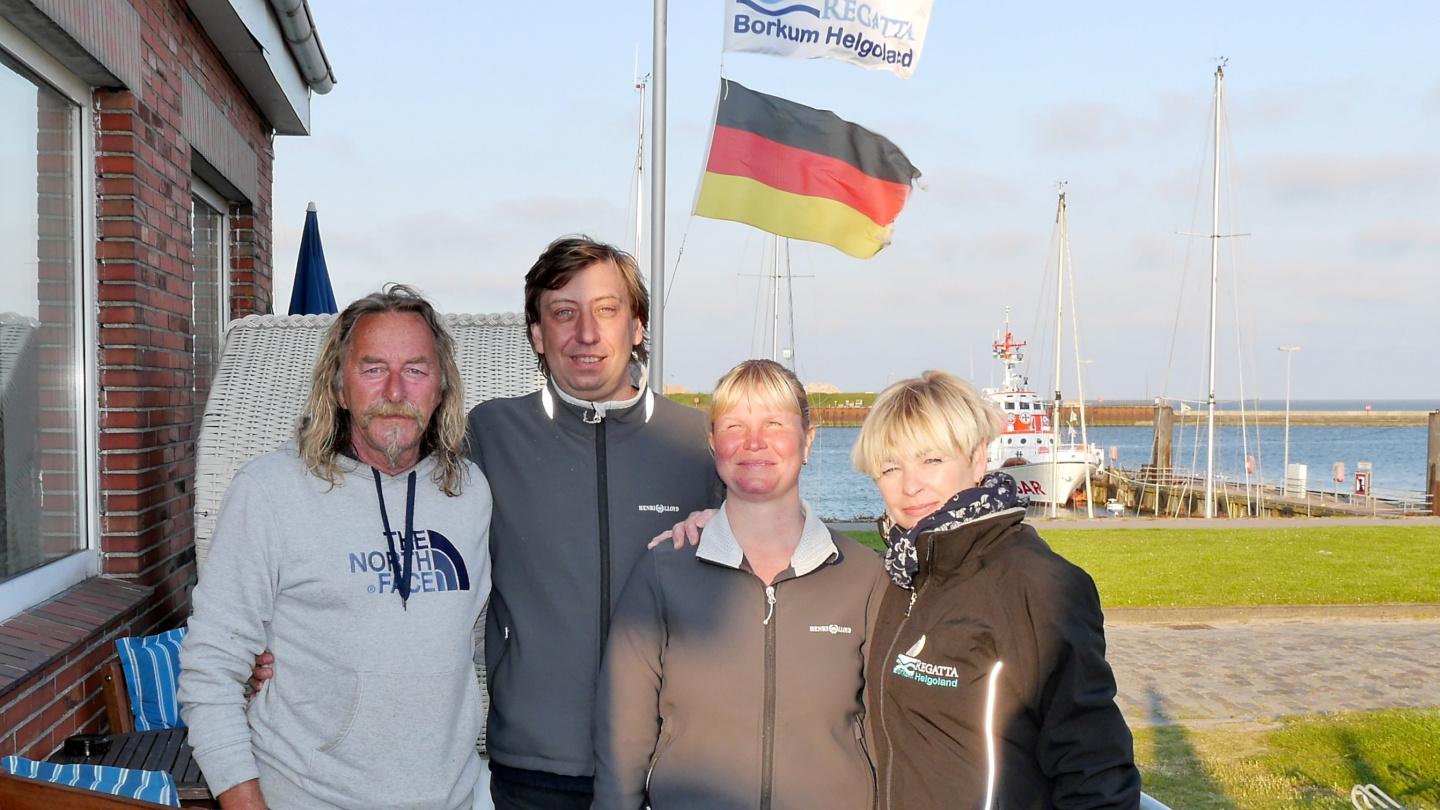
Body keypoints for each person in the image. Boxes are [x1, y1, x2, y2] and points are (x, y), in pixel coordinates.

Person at [179, 286, 491, 810]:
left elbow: (481, 642)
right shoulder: (270, 491)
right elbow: (210, 668)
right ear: (340, 388)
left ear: (441, 387)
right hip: (307, 796)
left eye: (415, 369)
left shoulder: (472, 493)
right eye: (373, 369)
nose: (395, 389)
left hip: (457, 796)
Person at [465, 237, 724, 809]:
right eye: (564, 313)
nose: (587, 334)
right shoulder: (489, 435)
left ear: (637, 326)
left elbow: (779, 564)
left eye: (607, 310)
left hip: (676, 765)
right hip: (535, 770)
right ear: (537, 334)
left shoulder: (701, 443)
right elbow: (403, 526)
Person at [592, 360, 887, 809]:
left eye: (773, 423)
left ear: (808, 440)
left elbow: (892, 736)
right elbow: (623, 740)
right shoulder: (662, 573)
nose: (754, 442)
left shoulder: (866, 577)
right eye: (734, 425)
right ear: (713, 444)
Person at [852, 370, 1140, 810]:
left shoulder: (1035, 583)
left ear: (977, 458)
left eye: (931, 460)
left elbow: (1095, 769)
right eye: (890, 467)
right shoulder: (903, 573)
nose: (910, 486)